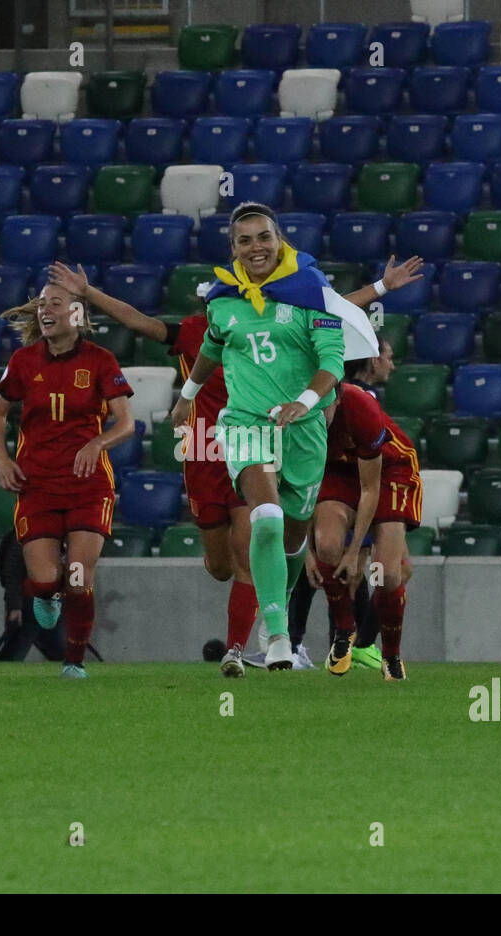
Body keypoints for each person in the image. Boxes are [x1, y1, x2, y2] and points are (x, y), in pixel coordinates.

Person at [46, 254, 421, 677]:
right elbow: (139, 322)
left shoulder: (282, 317)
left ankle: (253, 644)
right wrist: (89, 293)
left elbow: (328, 307)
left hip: (261, 438)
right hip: (207, 452)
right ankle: (278, 626)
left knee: (263, 530)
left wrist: (382, 287)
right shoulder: (198, 332)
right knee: (223, 564)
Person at [170, 201, 379, 673]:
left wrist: (303, 403)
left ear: (279, 238)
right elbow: (210, 347)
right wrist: (188, 395)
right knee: (264, 516)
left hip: (304, 430)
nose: (255, 247)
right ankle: (279, 635)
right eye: (244, 241)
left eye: (263, 237)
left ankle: (277, 603)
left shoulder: (312, 293)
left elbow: (331, 361)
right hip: (245, 423)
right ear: (234, 248)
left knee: (293, 532)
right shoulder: (223, 298)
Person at [0, 281, 135, 679]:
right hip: (36, 485)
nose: (45, 310)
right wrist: (1, 458)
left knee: (78, 576)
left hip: (87, 485)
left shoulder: (101, 360)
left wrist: (96, 444)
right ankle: (46, 597)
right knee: (46, 579)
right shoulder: (22, 361)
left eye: (56, 302)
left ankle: (73, 661)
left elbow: (127, 423)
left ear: (78, 315)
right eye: (41, 304)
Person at [310, 379, 420, 681]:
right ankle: (344, 631)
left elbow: (369, 489)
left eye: (323, 409)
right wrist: (306, 552)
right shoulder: (297, 417)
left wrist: (356, 548)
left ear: (335, 399)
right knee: (328, 546)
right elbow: (297, 487)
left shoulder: (361, 408)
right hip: (336, 470)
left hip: (388, 469)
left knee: (386, 575)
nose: (318, 417)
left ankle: (391, 655)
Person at [0, 529, 66, 662]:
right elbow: (13, 571)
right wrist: (15, 606)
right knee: (16, 649)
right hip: (30, 602)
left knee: (58, 650)